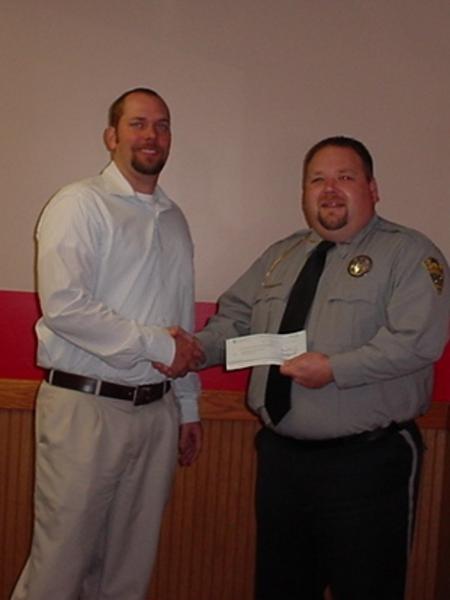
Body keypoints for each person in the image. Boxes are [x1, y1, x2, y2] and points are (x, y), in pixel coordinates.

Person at [191, 137, 449, 599]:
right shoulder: (282, 256)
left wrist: (335, 369)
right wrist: (193, 351)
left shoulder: (411, 255)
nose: (330, 189)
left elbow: (417, 342)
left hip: (368, 464)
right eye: (317, 180)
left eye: (345, 178)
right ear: (304, 193)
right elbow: (234, 319)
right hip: (282, 461)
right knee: (281, 589)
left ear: (372, 188)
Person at [11, 88, 203, 600]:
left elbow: (180, 319)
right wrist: (158, 348)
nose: (152, 135)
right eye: (138, 124)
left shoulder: (175, 218)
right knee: (60, 567)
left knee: (127, 573)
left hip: (156, 414)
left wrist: (187, 408)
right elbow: (65, 306)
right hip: (84, 408)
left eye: (162, 125)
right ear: (111, 136)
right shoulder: (79, 203)